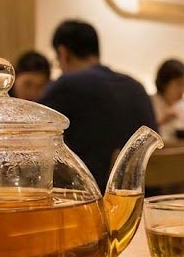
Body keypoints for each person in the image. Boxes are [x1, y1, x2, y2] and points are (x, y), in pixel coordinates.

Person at [38, 20, 157, 186]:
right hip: (143, 198)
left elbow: (31, 140)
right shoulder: (136, 86)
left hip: (90, 201)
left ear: (63, 53)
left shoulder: (67, 84)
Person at [151, 59, 184, 140]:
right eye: (179, 84)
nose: (183, 89)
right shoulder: (150, 103)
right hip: (160, 151)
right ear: (164, 83)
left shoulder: (182, 104)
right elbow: (142, 137)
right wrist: (162, 121)